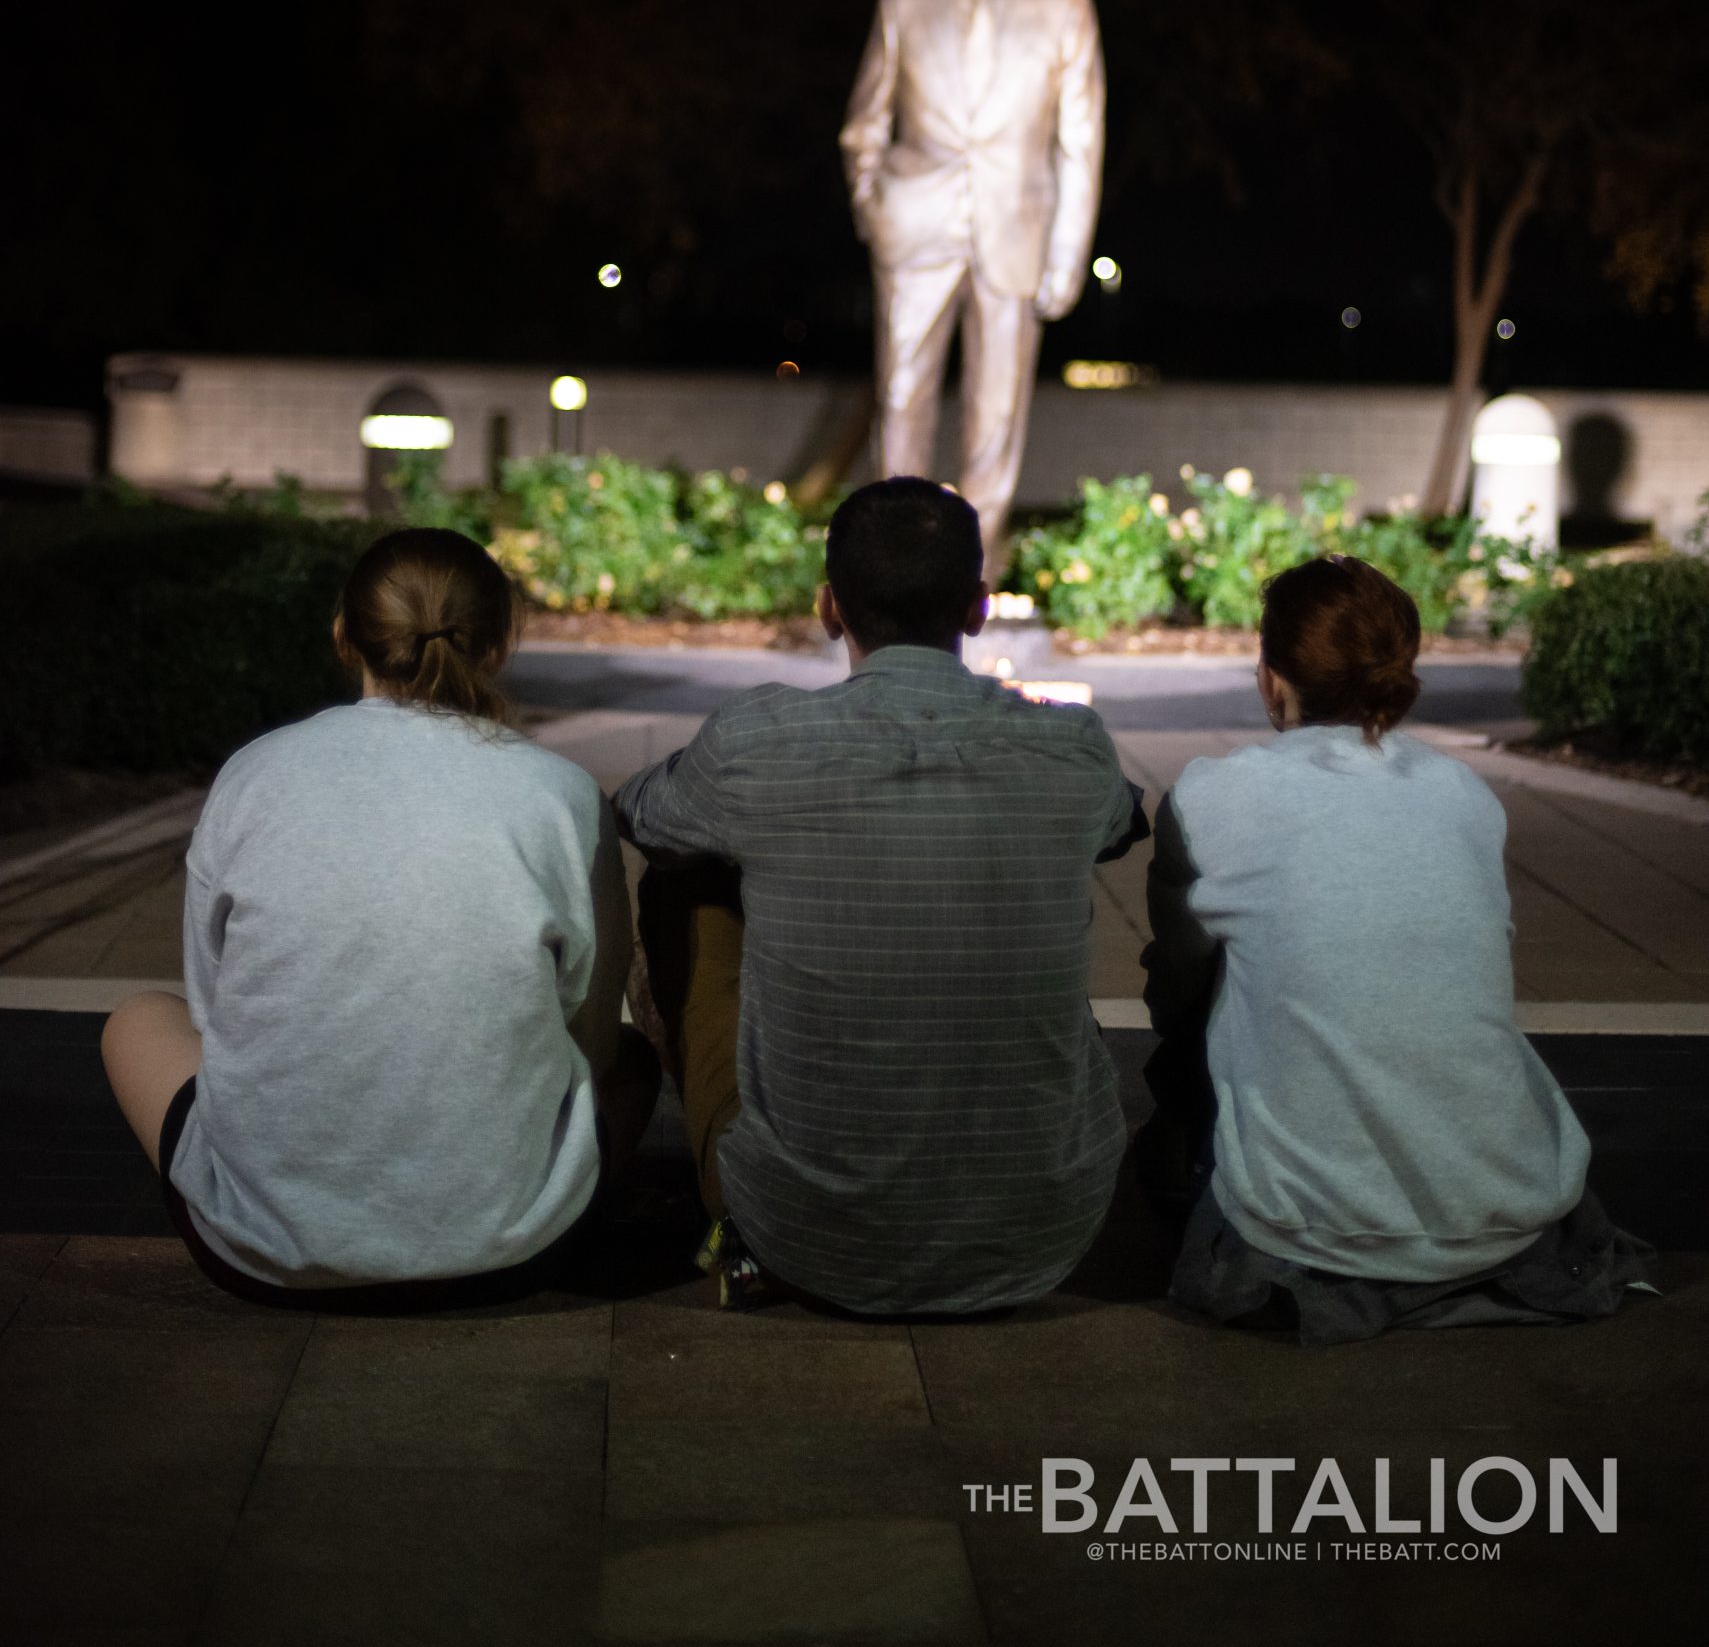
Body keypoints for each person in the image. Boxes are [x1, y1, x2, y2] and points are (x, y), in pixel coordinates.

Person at [614, 476, 1145, 1315]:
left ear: (831, 608)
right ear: (977, 609)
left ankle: (753, 1179)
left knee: (688, 883)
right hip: (1046, 1229)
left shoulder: (759, 741)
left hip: (804, 1232)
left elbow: (642, 814)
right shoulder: (1070, 748)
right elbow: (1121, 825)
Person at [101, 527, 658, 1306]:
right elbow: (590, 1036)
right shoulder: (559, 792)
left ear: (342, 636)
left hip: (260, 1248)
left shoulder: (253, 772)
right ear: (496, 649)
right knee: (632, 1058)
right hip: (513, 1245)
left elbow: (214, 1005)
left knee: (137, 1018)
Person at [1139, 553, 1650, 1343]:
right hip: (1512, 1205)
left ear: (1269, 675)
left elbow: (1176, 990)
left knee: (1190, 1066)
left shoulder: (1211, 796)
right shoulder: (1463, 796)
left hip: (1302, 1228)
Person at [839, 0, 1105, 578]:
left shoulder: (1065, 9)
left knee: (995, 416)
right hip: (913, 228)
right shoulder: (903, 3)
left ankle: (969, 578)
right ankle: (890, 573)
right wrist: (873, 204)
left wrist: (1065, 257)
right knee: (900, 398)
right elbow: (864, 123)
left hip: (1013, 234)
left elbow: (1079, 147)